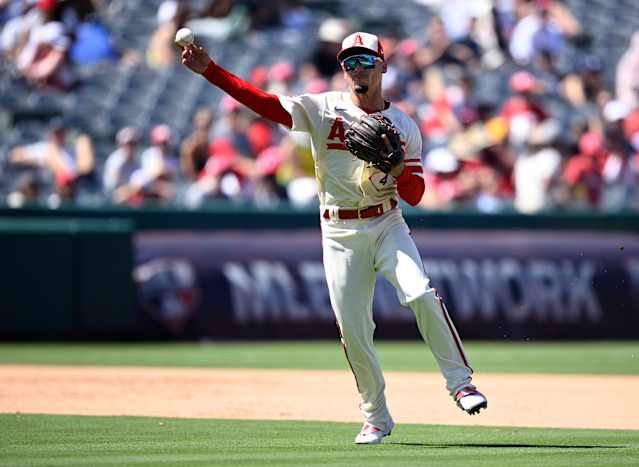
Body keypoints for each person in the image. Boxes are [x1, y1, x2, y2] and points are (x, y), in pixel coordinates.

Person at [181, 30, 488, 444]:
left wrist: (396, 167)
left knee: (420, 294)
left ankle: (460, 383)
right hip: (339, 230)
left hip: (386, 223)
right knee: (354, 329)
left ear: (383, 65)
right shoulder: (324, 108)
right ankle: (376, 416)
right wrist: (212, 72)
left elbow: (415, 194)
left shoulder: (403, 125)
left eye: (365, 60)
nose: (356, 68)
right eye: (349, 61)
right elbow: (267, 105)